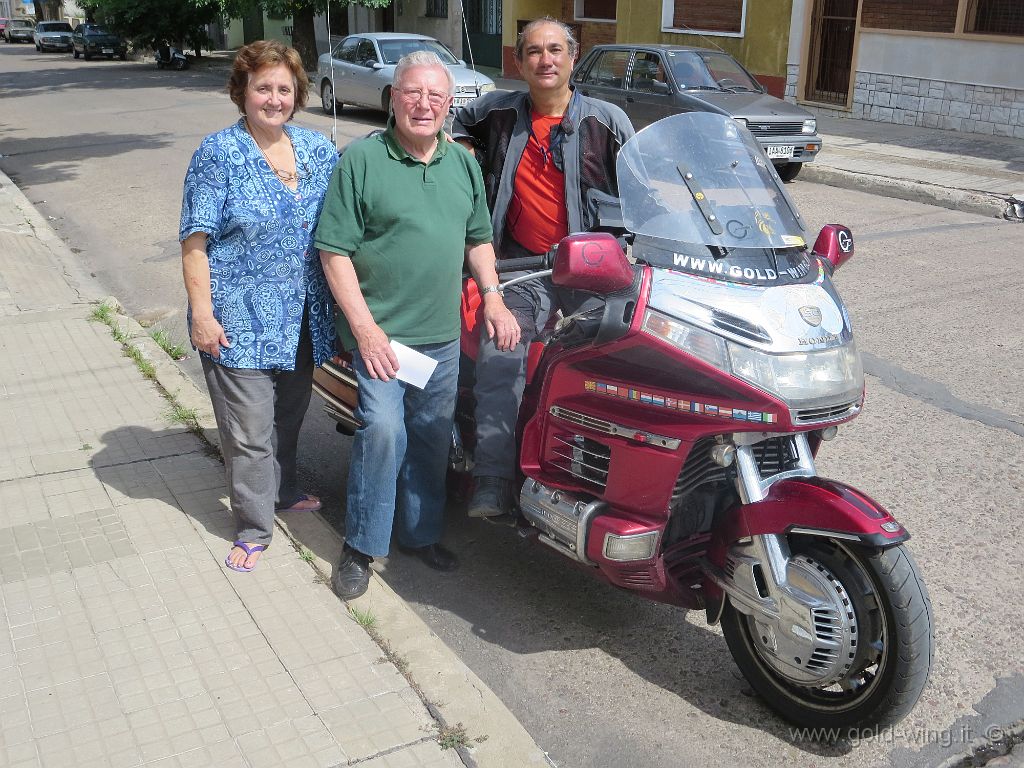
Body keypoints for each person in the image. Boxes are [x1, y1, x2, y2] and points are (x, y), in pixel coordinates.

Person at [316, 51, 520, 600]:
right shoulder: (362, 161)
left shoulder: (462, 165)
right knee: (383, 431)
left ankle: (420, 533)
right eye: (413, 93)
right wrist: (366, 332)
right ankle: (361, 544)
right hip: (380, 335)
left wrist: (495, 300)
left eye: (436, 95)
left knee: (432, 437)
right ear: (393, 98)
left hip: (441, 336)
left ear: (449, 104)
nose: (424, 104)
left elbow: (478, 240)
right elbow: (333, 252)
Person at [451, 17, 634, 518]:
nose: (545, 60)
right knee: (502, 345)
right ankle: (492, 476)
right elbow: (458, 122)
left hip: (596, 272)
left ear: (574, 58)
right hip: (522, 271)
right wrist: (466, 152)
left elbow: (646, 193)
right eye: (534, 52)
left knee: (639, 353)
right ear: (519, 62)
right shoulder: (497, 113)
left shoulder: (607, 121)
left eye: (556, 50)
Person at [179, 40, 338, 573]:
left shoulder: (317, 151)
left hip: (300, 320)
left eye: (284, 89)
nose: (274, 98)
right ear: (242, 93)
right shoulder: (218, 153)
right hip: (237, 319)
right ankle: (252, 526)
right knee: (249, 430)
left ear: (297, 94)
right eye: (263, 88)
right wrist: (202, 313)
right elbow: (194, 241)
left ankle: (285, 490)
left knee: (288, 418)